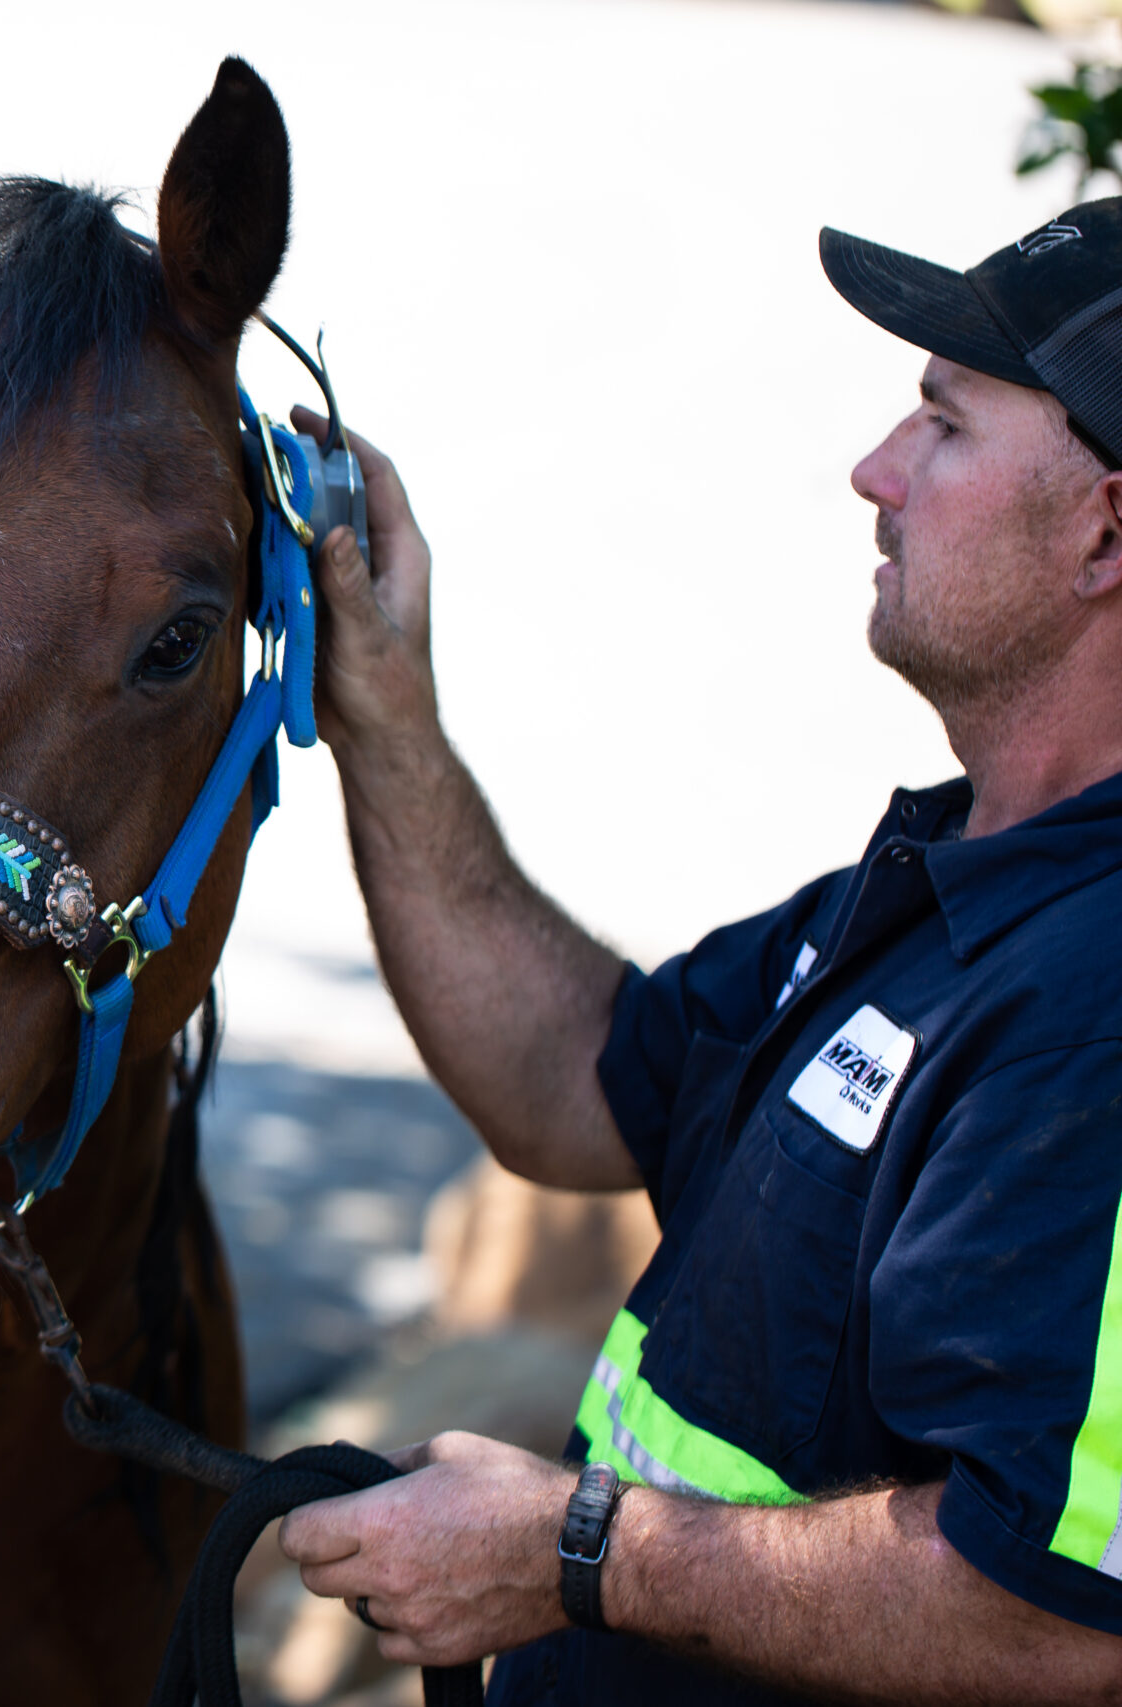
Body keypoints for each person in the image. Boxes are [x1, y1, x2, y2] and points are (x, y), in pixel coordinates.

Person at [275, 201, 1122, 1702]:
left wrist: (573, 1554)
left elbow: (1052, 1616)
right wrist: (386, 718)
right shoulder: (954, 889)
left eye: (942, 423)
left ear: (1105, 531)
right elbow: (570, 1085)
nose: (873, 471)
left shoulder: (1094, 1011)